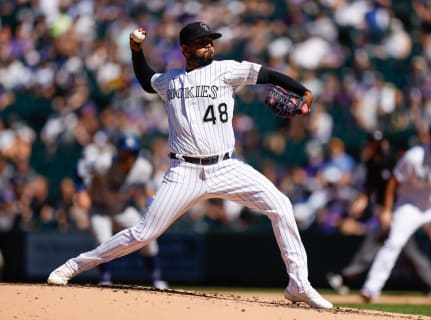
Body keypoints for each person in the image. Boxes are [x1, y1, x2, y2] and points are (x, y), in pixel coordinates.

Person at [47, 21, 332, 309]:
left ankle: (299, 284)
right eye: (201, 41)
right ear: (185, 49)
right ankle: (73, 266)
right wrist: (136, 50)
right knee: (144, 233)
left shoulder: (226, 69)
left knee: (281, 206)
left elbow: (267, 74)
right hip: (184, 172)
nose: (209, 44)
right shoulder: (170, 80)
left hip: (226, 167)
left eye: (211, 40)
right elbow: (147, 80)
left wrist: (303, 91)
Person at [360, 122, 431, 304]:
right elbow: (393, 181)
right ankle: (371, 288)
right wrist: (386, 209)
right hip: (410, 206)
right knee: (394, 242)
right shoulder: (414, 157)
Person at [327, 131, 431, 295]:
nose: (377, 146)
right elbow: (368, 188)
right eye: (374, 143)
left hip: (399, 209)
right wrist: (362, 203)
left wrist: (390, 210)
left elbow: (400, 186)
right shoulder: (371, 162)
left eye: (378, 143)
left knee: (392, 247)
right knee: (402, 249)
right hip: (385, 211)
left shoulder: (393, 159)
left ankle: (347, 279)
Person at [72, 132, 168, 289]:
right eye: (124, 152)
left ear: (136, 154)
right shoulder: (104, 163)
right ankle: (105, 279)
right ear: (118, 152)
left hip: (122, 210)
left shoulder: (143, 168)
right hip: (99, 208)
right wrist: (81, 191)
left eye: (131, 153)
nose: (127, 157)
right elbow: (79, 167)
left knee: (147, 237)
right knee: (103, 240)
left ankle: (156, 279)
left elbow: (148, 191)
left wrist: (151, 203)